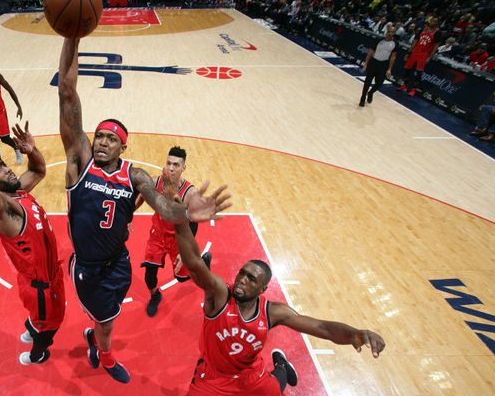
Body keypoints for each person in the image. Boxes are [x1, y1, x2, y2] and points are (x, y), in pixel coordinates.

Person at [57, 36, 231, 384]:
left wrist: (186, 213)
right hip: (89, 267)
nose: (103, 142)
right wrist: (72, 36)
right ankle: (104, 354)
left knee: (109, 318)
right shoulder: (80, 163)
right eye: (99, 136)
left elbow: (162, 205)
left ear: (124, 145)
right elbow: (66, 92)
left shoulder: (133, 174)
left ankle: (99, 340)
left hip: (119, 263)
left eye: (112, 139)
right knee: (105, 323)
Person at [172, 205, 386, 395]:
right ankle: (281, 366)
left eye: (251, 279)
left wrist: (355, 335)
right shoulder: (220, 295)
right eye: (242, 273)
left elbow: (323, 328)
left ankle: (281, 365)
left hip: (250, 376)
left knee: (275, 388)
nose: (242, 280)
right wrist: (181, 222)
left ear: (263, 289)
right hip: (214, 378)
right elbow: (194, 264)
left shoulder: (273, 312)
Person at [0, 85, 65, 365]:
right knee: (52, 326)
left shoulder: (18, 191)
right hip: (42, 288)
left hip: (39, 280)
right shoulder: (3, 209)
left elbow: (39, 170)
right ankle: (39, 352)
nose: (7, 168)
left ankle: (33, 326)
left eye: (3, 164)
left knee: (40, 320)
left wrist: (32, 151)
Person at [137, 146, 209, 317]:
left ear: (183, 167)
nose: (171, 168)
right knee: (149, 273)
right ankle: (155, 295)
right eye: (168, 163)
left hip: (178, 238)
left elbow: (193, 223)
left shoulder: (190, 193)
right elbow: (140, 196)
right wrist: (127, 216)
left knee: (182, 278)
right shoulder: (155, 182)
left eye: (176, 165)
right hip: (157, 234)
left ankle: (203, 263)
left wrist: (185, 249)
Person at [399, 16, 441, 97]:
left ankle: (414, 89)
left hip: (424, 54)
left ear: (437, 23)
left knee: (418, 73)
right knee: (407, 69)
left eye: (435, 21)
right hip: (415, 52)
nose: (433, 22)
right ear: (430, 21)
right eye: (432, 21)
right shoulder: (422, 29)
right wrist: (409, 52)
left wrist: (430, 57)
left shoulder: (438, 32)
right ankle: (405, 85)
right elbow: (415, 41)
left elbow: (436, 46)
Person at [359, 27, 397, 107]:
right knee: (367, 82)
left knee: (379, 83)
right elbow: (370, 52)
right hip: (374, 62)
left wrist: (389, 69)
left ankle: (371, 92)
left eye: (392, 32)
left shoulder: (395, 43)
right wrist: (366, 64)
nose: (391, 33)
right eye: (389, 31)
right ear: (387, 32)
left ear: (394, 33)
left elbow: (393, 57)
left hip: (384, 64)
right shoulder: (379, 40)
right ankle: (362, 98)